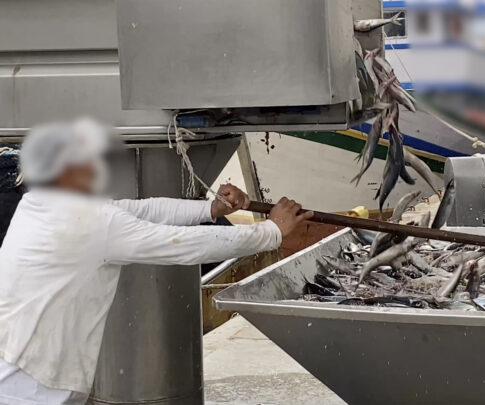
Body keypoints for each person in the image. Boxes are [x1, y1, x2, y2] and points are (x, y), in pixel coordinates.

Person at [0, 119, 313, 404]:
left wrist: (211, 210)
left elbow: (145, 210)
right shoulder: (90, 223)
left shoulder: (42, 204)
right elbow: (184, 247)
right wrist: (271, 232)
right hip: (31, 389)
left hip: (24, 371)